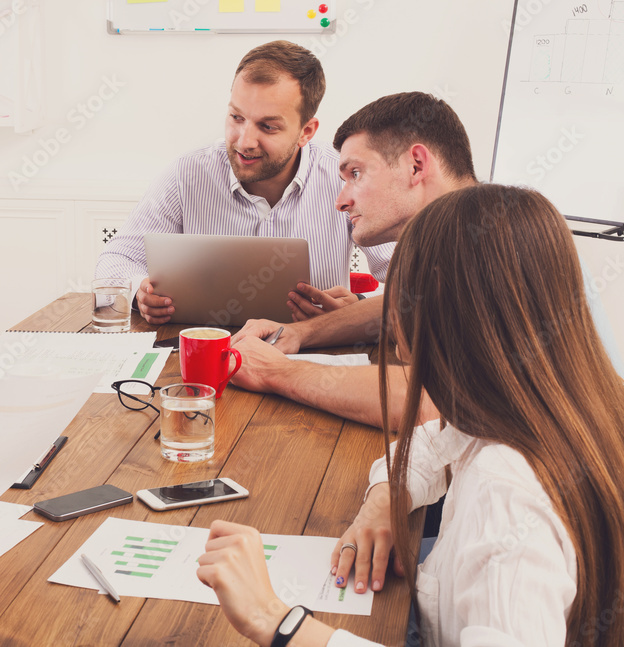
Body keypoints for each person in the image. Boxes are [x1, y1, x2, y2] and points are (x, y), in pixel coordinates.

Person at [197, 184, 624, 646]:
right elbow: (434, 441)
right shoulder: (560, 406)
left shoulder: (506, 496)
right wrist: (387, 497)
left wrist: (275, 621)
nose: (396, 336)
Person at [231, 92, 623, 429]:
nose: (341, 199)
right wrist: (303, 333)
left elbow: (435, 400)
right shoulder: (467, 226)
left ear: (416, 165)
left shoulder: (487, 239)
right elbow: (400, 305)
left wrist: (275, 372)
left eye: (355, 173)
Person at [94, 40, 395, 325]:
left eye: (268, 126)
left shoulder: (343, 177)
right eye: (237, 117)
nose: (245, 141)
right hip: (206, 347)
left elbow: (412, 283)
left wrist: (358, 303)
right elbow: (115, 261)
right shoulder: (187, 175)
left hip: (313, 352)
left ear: (306, 131)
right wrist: (139, 292)